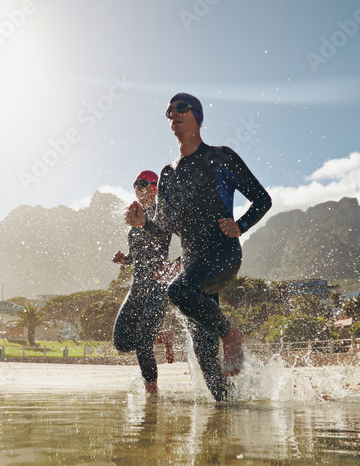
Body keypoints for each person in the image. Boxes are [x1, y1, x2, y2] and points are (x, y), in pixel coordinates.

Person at [125, 93, 271, 401]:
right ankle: (234, 404)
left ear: (198, 116)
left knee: (176, 291)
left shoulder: (221, 156)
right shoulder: (168, 174)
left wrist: (240, 225)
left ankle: (231, 335)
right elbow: (165, 227)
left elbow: (263, 199)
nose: (173, 114)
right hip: (194, 271)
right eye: (169, 111)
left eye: (180, 108)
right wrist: (142, 224)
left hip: (222, 256)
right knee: (207, 359)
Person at [112, 170, 176, 394]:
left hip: (158, 287)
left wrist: (176, 264)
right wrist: (125, 259)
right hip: (137, 287)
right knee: (121, 342)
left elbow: (175, 238)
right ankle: (163, 337)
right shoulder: (134, 219)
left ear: (155, 187)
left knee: (142, 344)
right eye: (135, 184)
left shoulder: (162, 213)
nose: (138, 188)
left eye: (143, 183)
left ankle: (152, 396)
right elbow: (139, 255)